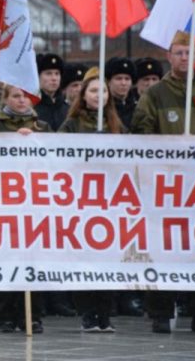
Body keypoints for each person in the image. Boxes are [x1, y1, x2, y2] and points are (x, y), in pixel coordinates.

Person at [131, 31, 195, 335]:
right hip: (165, 186)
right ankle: (160, 312)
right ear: (169, 56)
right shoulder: (155, 94)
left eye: (190, 53)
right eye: (178, 53)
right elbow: (141, 130)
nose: (184, 58)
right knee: (163, 247)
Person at [58, 68, 124, 333]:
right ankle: (87, 312)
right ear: (83, 95)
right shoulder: (71, 124)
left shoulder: (117, 126)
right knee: (82, 258)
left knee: (108, 257)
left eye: (103, 90)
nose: (100, 95)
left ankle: (105, 313)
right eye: (94, 90)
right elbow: (54, 153)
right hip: (79, 201)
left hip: (109, 201)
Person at [0, 84, 49, 334]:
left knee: (34, 259)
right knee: (8, 256)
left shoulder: (42, 127)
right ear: (5, 98)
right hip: (4, 200)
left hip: (34, 201)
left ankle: (32, 315)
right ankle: (5, 313)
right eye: (16, 96)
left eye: (26, 96)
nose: (22, 100)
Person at [34, 53, 68, 131]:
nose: (54, 78)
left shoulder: (68, 109)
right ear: (38, 76)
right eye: (48, 73)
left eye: (57, 74)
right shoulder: (31, 107)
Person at [105, 56, 137, 129]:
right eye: (118, 78)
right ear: (109, 81)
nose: (123, 83)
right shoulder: (102, 108)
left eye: (127, 79)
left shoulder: (138, 107)